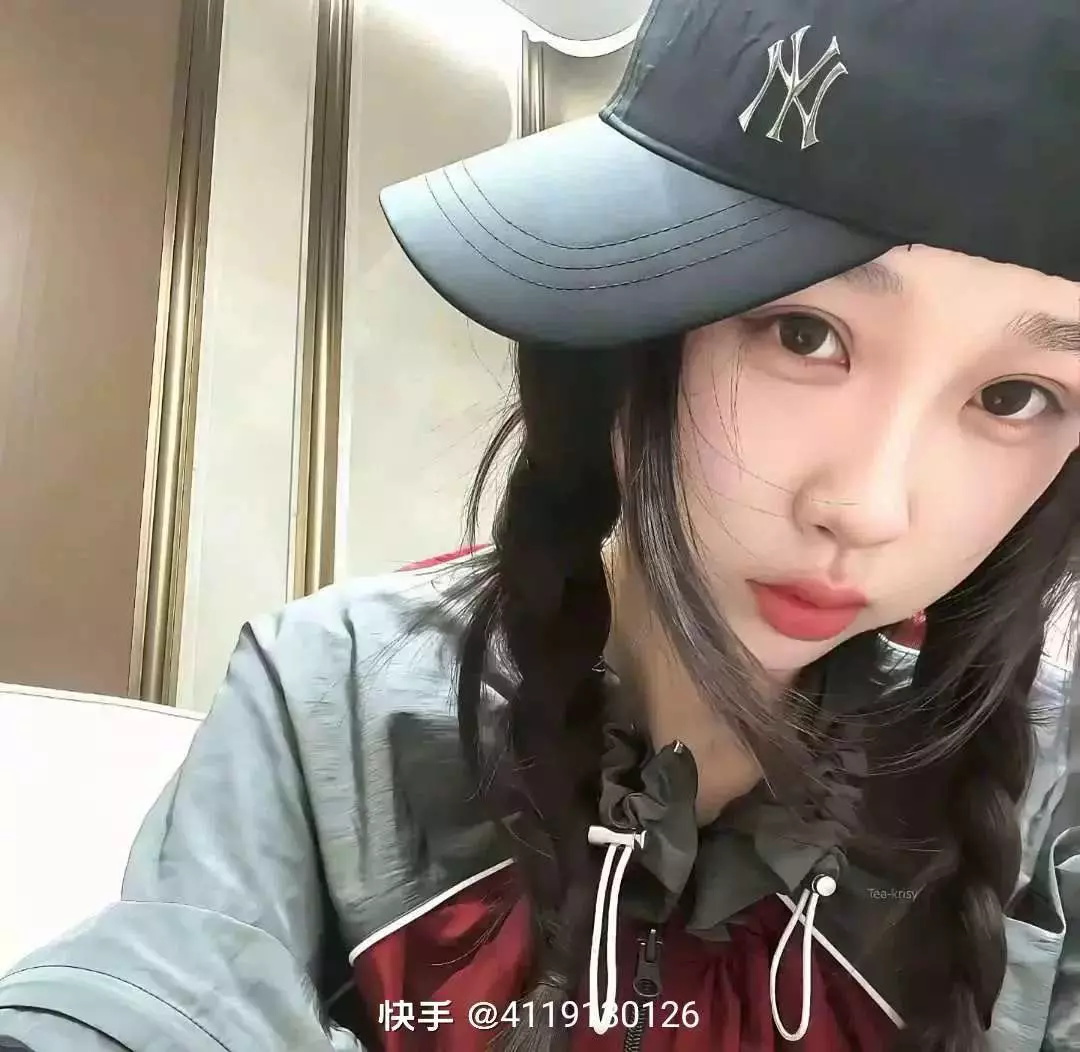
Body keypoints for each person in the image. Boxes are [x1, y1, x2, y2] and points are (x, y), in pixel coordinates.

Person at [1, 0, 1078, 1049]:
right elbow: (156, 993)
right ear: (623, 336)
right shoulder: (337, 696)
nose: (870, 509)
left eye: (1017, 397)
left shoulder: (1054, 792)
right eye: (803, 334)